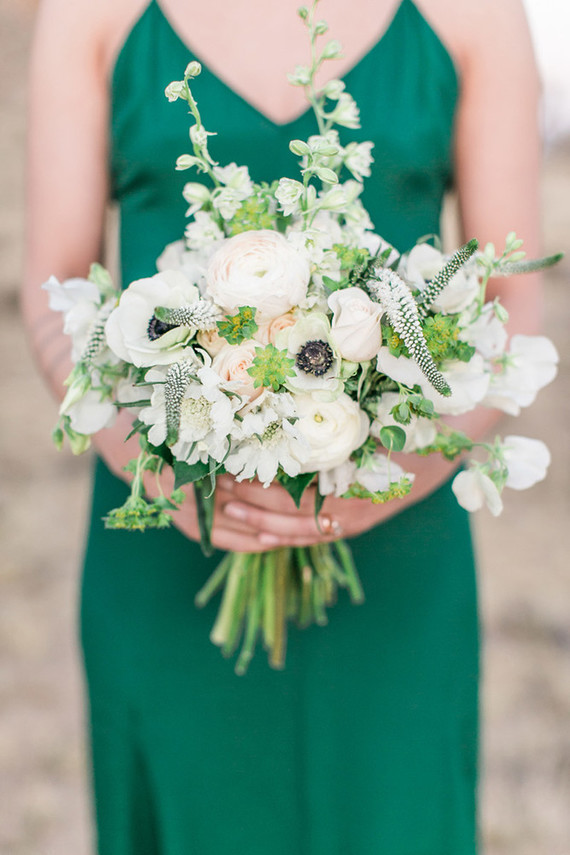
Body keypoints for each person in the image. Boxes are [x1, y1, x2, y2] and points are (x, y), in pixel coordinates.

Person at [23, 0, 542, 852]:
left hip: (399, 551)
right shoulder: (88, 12)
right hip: (169, 546)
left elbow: (514, 291)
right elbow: (52, 289)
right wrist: (151, 461)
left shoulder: (478, 12)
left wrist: (394, 471)